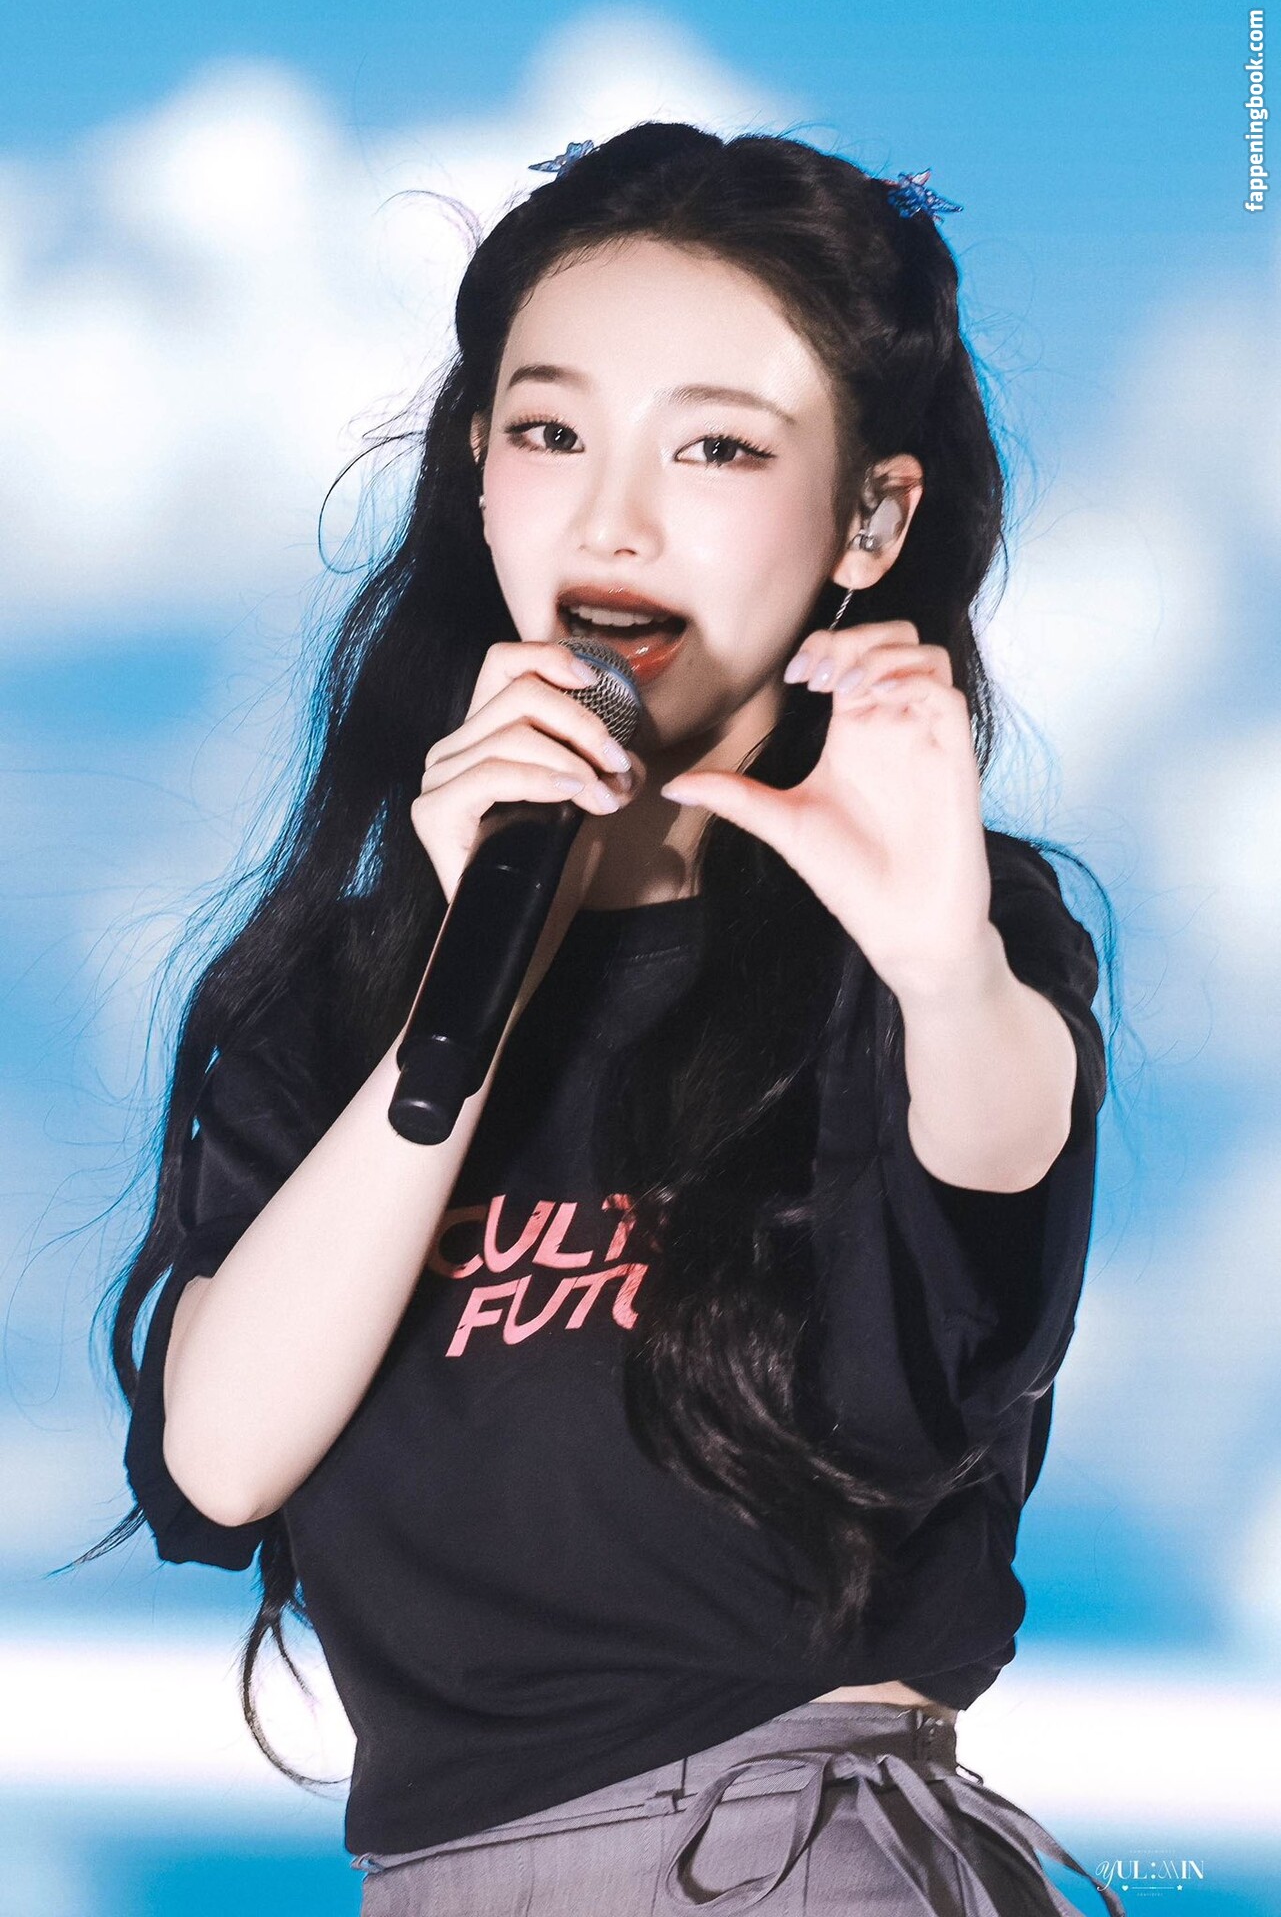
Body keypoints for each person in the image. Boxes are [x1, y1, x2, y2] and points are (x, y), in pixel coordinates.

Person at [73, 123, 1127, 1914]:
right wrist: (472, 972)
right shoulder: (343, 991)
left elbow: (984, 1203)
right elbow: (220, 1460)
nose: (613, 517)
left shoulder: (941, 936)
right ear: (476, 469)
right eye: (550, 433)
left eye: (717, 447)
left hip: (791, 1857)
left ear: (870, 519)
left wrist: (941, 961)